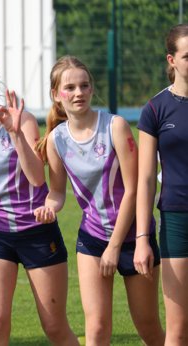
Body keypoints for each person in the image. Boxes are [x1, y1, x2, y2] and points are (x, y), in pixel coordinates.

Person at [35, 55, 164, 346]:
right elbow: (57, 193)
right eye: (70, 88)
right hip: (92, 239)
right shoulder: (56, 139)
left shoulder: (115, 126)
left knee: (148, 327)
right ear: (56, 95)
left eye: (84, 85)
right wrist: (49, 208)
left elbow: (134, 190)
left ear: (92, 89)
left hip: (133, 237)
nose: (78, 92)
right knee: (96, 328)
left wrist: (115, 247)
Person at [0, 54, 78, 346]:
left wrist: (15, 132)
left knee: (55, 327)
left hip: (36, 232)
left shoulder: (23, 119)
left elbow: (37, 178)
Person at [137, 23, 188, 345]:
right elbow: (144, 180)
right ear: (172, 60)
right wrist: (143, 236)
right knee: (178, 330)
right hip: (176, 220)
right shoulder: (155, 109)